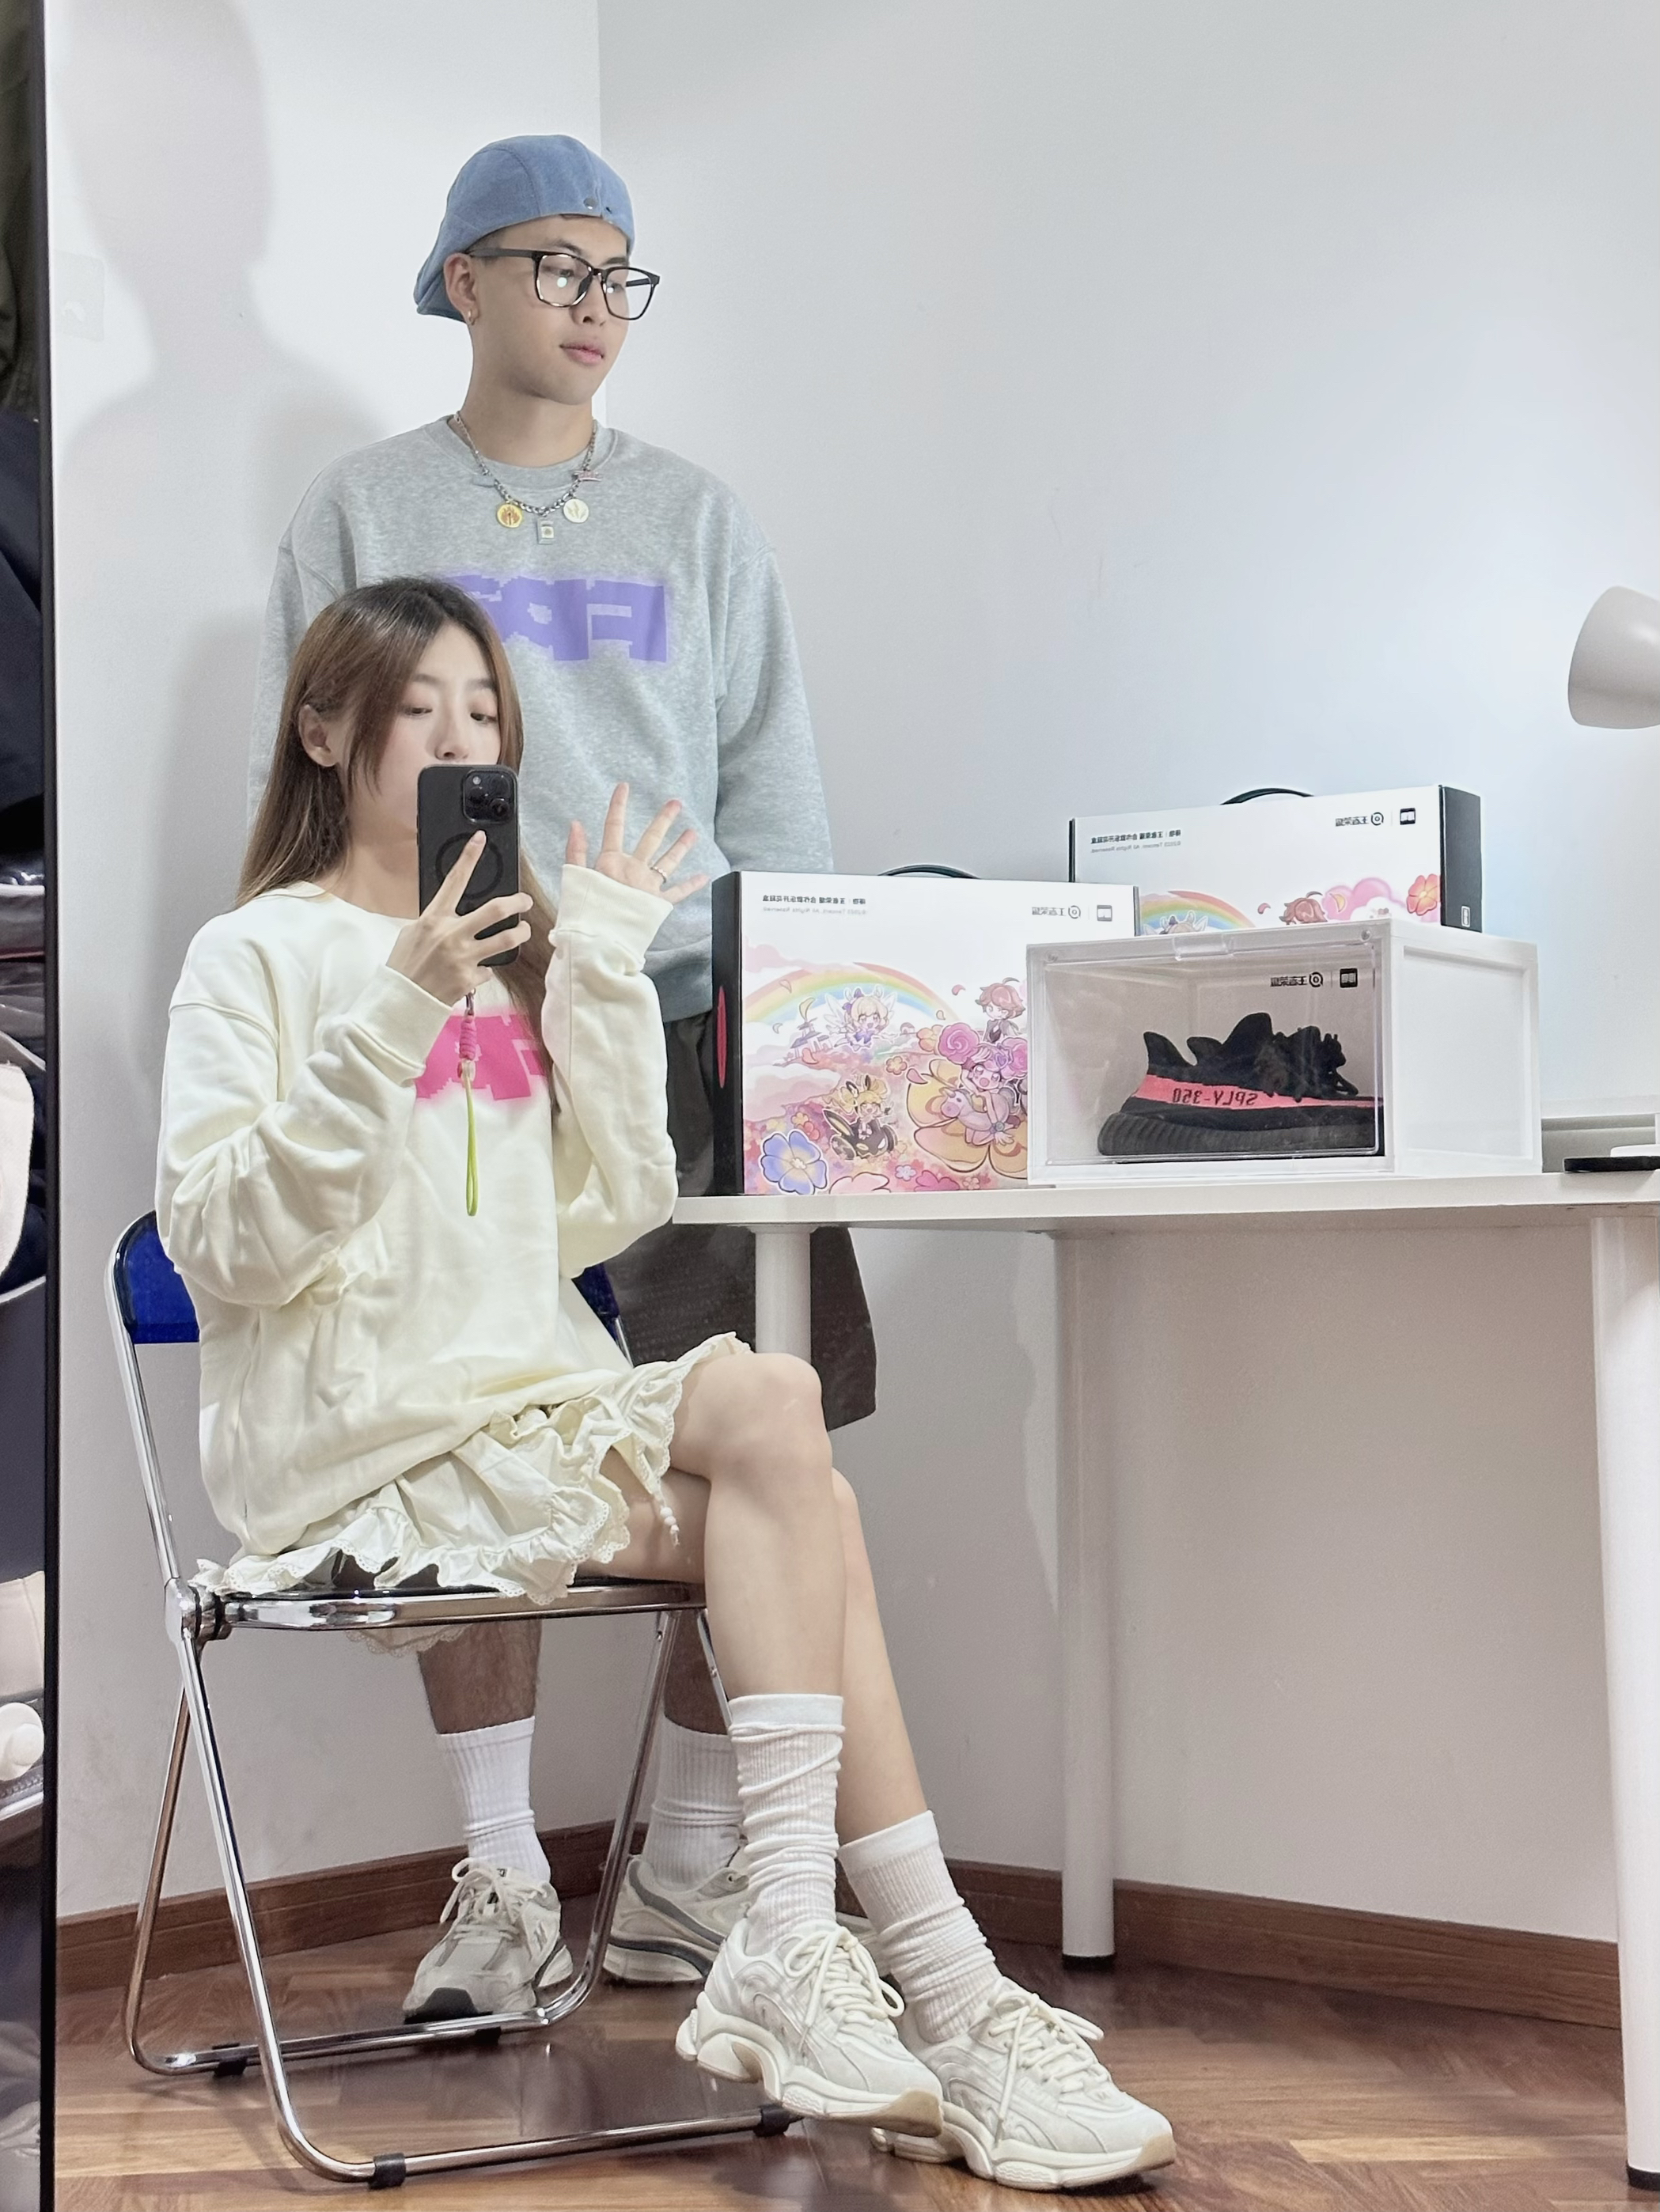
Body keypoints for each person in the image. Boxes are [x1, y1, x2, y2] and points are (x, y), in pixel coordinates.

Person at [161, 578, 1175, 2191]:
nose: (460, 742)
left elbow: (605, 1209)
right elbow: (225, 1244)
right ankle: (931, 1980)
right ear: (325, 732)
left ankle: (846, 1957)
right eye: (419, 709)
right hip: (363, 1449)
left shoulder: (501, 963)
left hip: (520, 1412)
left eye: (484, 713)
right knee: (810, 1497)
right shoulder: (255, 957)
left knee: (778, 1415)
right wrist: (393, 1006)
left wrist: (599, 970)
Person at [248, 132, 874, 1978]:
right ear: (463, 280)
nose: (598, 307)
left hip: (679, 1024)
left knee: (768, 1423)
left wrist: (788, 1026)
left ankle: (689, 1863)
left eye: (621, 276)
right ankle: (504, 1876)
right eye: (557, 268)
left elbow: (770, 787)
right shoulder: (360, 509)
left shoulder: (698, 518)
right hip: (453, 1023)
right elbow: (313, 772)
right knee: (461, 1433)